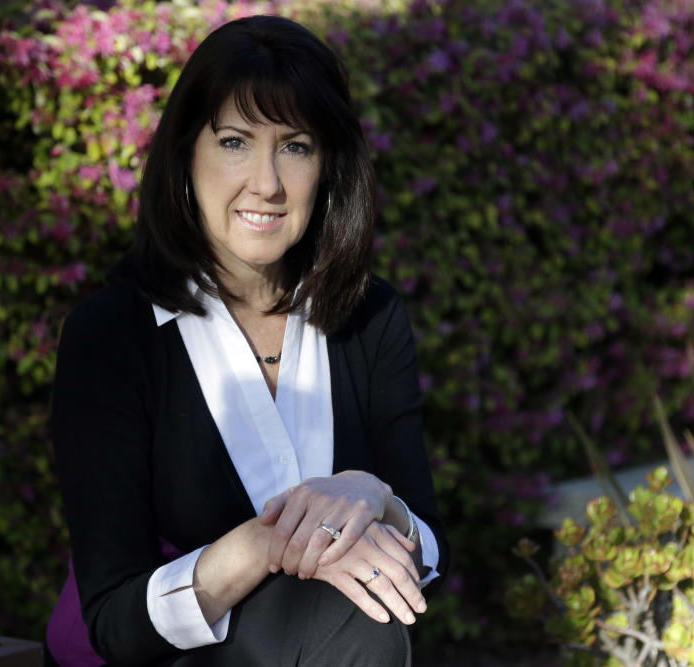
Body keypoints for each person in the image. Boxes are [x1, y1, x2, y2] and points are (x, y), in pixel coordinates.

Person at [48, 14, 449, 666]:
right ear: (186, 155)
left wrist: (377, 498)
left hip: (346, 645)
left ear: (327, 169)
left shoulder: (370, 316)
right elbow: (114, 622)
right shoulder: (111, 335)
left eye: (295, 146)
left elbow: (429, 554)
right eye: (235, 141)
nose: (266, 182)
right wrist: (264, 545)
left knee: (360, 616)